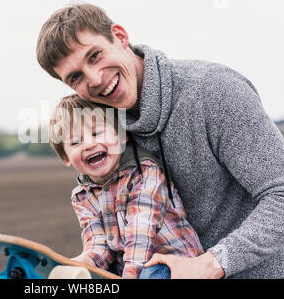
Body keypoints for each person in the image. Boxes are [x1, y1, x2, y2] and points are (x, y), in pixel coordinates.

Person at [37, 3, 284, 279]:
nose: (96, 79)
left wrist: (212, 263)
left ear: (121, 36)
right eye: (75, 77)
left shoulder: (214, 90)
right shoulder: (104, 127)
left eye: (95, 56)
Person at [48, 94, 203, 279]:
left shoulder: (145, 173)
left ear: (122, 137)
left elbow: (141, 234)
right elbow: (99, 244)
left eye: (97, 133)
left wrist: (129, 276)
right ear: (66, 157)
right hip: (131, 269)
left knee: (151, 274)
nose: (89, 144)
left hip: (174, 263)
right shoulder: (83, 196)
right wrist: (83, 264)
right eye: (75, 142)